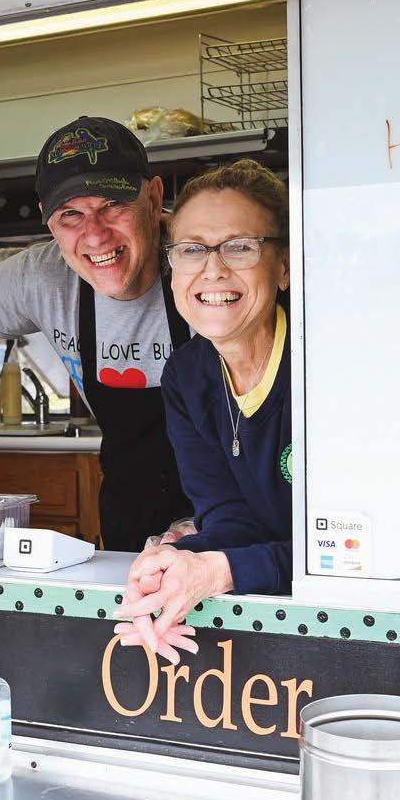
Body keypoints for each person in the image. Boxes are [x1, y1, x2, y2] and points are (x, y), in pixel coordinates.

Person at [0, 116, 193, 550]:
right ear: (48, 219)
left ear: (154, 199)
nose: (95, 236)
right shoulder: (42, 278)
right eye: (71, 215)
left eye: (112, 205)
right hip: (133, 520)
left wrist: (221, 520)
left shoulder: (207, 260)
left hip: (244, 520)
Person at [114, 160, 292, 663]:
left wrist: (221, 571)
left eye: (240, 246)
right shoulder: (187, 376)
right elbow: (233, 520)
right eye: (192, 249)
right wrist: (170, 564)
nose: (212, 269)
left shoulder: (325, 368)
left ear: (283, 266)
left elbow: (348, 554)